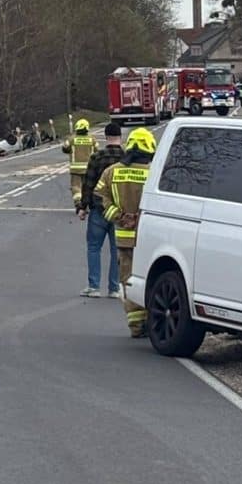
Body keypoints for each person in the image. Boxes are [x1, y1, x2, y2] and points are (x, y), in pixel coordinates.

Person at [93, 127, 156, 338]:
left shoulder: (111, 172)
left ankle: (137, 326)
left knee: (128, 281)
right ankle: (154, 322)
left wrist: (119, 217)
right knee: (153, 280)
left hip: (124, 239)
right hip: (150, 240)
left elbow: (100, 197)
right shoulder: (154, 173)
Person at [76, 121, 124, 299]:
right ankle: (114, 288)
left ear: (106, 137)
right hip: (120, 211)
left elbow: (88, 184)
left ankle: (93, 286)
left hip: (99, 209)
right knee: (116, 250)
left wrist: (83, 207)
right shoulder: (126, 158)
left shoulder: (97, 157)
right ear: (120, 137)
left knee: (94, 248)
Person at [63, 118, 98, 207]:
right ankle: (89, 202)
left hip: (76, 169)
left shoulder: (71, 139)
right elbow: (97, 151)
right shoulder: (92, 139)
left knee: (76, 187)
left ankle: (78, 202)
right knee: (88, 186)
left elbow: (65, 148)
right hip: (89, 169)